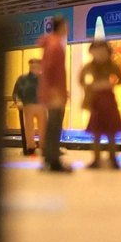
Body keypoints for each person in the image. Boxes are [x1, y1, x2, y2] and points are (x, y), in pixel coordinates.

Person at [81, 40, 121, 169]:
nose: (99, 54)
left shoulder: (112, 65)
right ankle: (97, 158)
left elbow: (119, 79)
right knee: (96, 131)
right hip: (96, 101)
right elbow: (81, 79)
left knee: (111, 131)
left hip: (108, 100)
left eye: (102, 51)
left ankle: (112, 158)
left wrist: (110, 84)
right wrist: (91, 86)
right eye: (96, 51)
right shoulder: (90, 66)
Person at [38, 15, 71, 172]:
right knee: (54, 125)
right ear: (61, 27)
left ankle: (49, 158)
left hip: (52, 91)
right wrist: (56, 91)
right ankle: (53, 161)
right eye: (66, 26)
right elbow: (51, 69)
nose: (67, 29)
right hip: (54, 92)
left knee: (53, 124)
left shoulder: (51, 43)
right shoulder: (55, 45)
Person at [12, 59, 45, 157]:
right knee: (29, 126)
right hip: (28, 105)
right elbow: (16, 93)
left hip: (42, 106)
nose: (34, 69)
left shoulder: (44, 79)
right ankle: (31, 146)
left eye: (37, 67)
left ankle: (44, 145)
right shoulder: (23, 79)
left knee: (43, 126)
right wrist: (18, 101)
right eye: (32, 67)